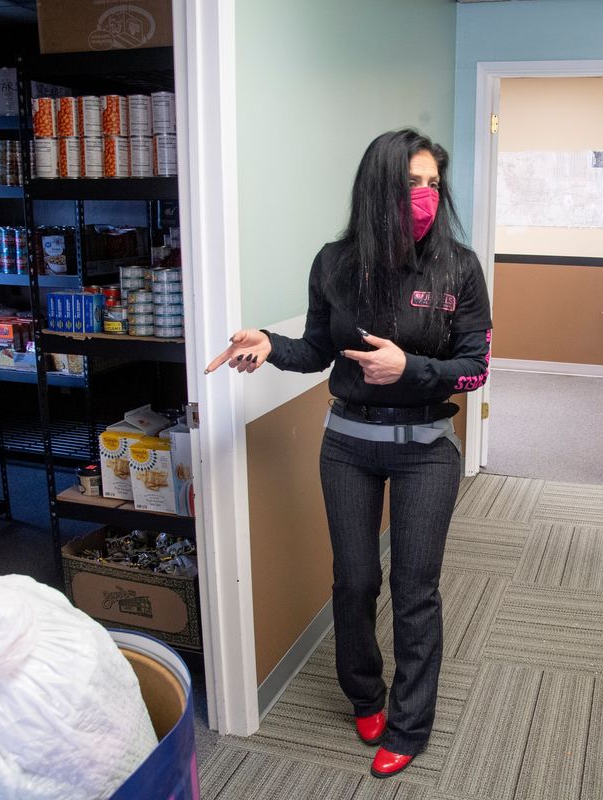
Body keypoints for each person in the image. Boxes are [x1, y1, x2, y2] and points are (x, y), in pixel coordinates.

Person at [205, 129, 491, 779]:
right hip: (349, 449)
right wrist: (268, 346)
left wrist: (411, 368)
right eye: (409, 184)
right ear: (377, 190)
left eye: (432, 184)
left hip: (426, 452)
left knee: (415, 591)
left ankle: (409, 723)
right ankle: (364, 693)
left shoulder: (459, 267)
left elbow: (475, 369)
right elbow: (314, 350)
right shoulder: (335, 263)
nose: (424, 196)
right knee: (356, 580)